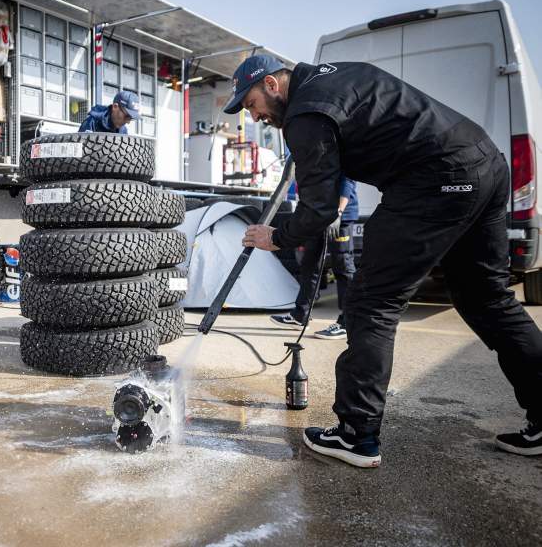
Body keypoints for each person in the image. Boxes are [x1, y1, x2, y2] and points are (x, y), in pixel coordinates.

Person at [225, 53, 542, 467]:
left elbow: (319, 209)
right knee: (487, 296)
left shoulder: (305, 112)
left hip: (434, 178)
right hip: (485, 160)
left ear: (271, 85)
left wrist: (277, 237)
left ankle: (356, 435)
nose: (255, 117)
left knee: (373, 303)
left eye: (251, 105)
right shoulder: (338, 73)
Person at [271, 176, 358, 340]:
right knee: (310, 264)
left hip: (340, 218)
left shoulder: (338, 151)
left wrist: (338, 212)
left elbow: (348, 180)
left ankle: (348, 322)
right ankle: (300, 315)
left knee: (343, 267)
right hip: (318, 217)